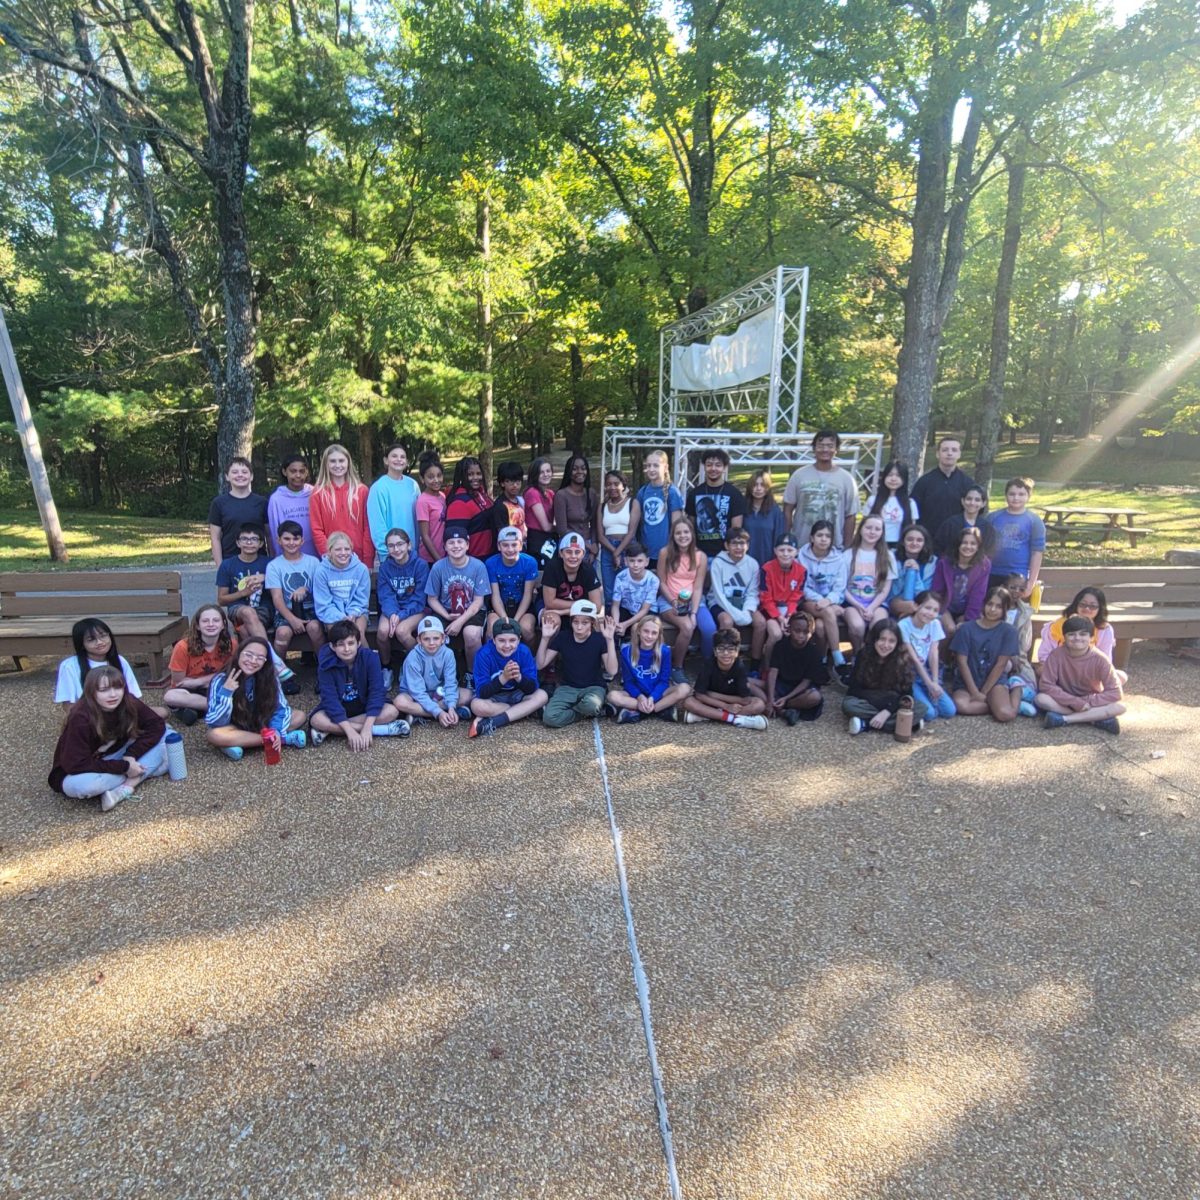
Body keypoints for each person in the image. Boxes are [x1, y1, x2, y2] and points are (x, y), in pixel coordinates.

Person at [49, 665, 168, 812]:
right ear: (91, 692)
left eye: (118, 688)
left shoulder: (127, 701)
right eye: (104, 690)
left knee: (170, 737)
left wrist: (131, 755)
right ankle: (141, 771)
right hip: (80, 770)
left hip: (116, 754)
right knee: (86, 787)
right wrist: (124, 767)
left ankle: (129, 783)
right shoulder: (80, 716)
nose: (113, 695)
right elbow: (75, 764)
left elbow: (156, 725)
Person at [309, 620, 410, 746]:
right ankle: (381, 730)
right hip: (341, 705)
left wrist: (367, 727)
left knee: (392, 711)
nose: (346, 649)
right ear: (332, 646)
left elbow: (376, 692)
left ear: (358, 643)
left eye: (351, 643)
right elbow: (330, 699)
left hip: (364, 705)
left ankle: (329, 731)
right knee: (316, 719)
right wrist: (350, 731)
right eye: (341, 644)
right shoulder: (326, 663)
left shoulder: (370, 658)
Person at [205, 637, 308, 759]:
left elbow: (280, 708)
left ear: (265, 661)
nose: (253, 661)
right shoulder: (221, 679)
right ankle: (282, 739)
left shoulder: (270, 678)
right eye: (248, 655)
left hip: (262, 723)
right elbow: (215, 721)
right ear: (239, 654)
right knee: (214, 734)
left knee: (299, 716)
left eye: (260, 658)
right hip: (235, 726)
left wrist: (275, 730)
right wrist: (227, 692)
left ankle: (242, 743)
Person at [1036, 615, 1126, 734]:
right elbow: (1046, 685)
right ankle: (1094, 719)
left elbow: (1115, 693)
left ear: (1091, 637)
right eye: (1071, 634)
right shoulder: (1056, 655)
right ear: (1064, 637)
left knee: (1120, 707)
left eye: (1083, 634)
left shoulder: (1100, 659)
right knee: (1041, 699)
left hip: (1090, 700)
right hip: (1065, 699)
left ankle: (1064, 719)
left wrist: (1086, 701)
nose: (1077, 638)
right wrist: (1074, 702)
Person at [536, 601, 618, 728]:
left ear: (592, 623)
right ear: (571, 622)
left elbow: (612, 670)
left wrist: (610, 640)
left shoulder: (599, 639)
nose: (579, 627)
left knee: (591, 704)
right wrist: (545, 638)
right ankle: (589, 712)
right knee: (549, 718)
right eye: (576, 622)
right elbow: (540, 664)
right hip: (568, 687)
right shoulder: (563, 637)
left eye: (584, 623)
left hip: (594, 687)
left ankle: (589, 710)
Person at [949, 585, 1023, 722]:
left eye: (999, 606)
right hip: (968, 681)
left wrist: (984, 692)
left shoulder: (1009, 631)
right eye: (990, 604)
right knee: (960, 706)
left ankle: (1016, 689)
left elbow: (1001, 664)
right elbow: (962, 662)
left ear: (1005, 609)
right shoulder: (966, 629)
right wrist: (974, 692)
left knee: (1006, 715)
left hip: (994, 681)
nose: (993, 610)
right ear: (984, 604)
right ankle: (994, 705)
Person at [424, 524, 490, 675]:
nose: (456, 546)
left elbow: (478, 601)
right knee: (432, 634)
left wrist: (459, 621)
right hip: (446, 610)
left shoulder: (478, 566)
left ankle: (473, 674)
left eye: (460, 542)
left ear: (467, 545)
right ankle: (440, 675)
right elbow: (432, 599)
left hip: (471, 610)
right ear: (445, 547)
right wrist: (447, 616)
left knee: (471, 635)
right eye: (451, 543)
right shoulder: (438, 567)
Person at [468, 618, 549, 738]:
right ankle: (523, 712)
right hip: (495, 698)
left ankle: (495, 721)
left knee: (542, 695)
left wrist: (519, 677)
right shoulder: (484, 654)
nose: (507, 645)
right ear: (494, 640)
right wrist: (503, 678)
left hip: (518, 694)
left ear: (519, 640)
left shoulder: (524, 651)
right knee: (477, 706)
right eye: (501, 640)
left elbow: (532, 687)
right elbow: (482, 693)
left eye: (512, 640)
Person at [843, 619, 927, 735]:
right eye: (882, 639)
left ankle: (866, 724)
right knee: (848, 705)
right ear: (874, 639)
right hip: (869, 698)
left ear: (897, 643)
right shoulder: (863, 655)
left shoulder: (902, 659)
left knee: (921, 708)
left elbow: (907, 695)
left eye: (891, 641)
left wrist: (886, 712)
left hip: (893, 702)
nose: (886, 645)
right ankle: (906, 724)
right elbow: (853, 690)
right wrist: (882, 705)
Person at [607, 613, 691, 723]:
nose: (649, 636)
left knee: (685, 688)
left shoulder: (664, 651)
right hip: (636, 694)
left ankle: (640, 712)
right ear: (639, 631)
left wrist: (652, 698)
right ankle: (659, 710)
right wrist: (640, 696)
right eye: (646, 631)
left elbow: (663, 681)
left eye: (654, 633)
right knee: (612, 696)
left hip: (659, 693)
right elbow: (628, 682)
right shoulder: (626, 652)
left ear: (658, 635)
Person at [782, 430, 859, 549]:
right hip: (802, 546)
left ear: (836, 449)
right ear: (814, 448)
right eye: (821, 446)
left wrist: (848, 547)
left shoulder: (847, 479)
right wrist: (786, 540)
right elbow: (787, 510)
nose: (825, 450)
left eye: (830, 446)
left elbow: (851, 515)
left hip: (835, 548)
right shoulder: (799, 475)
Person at [393, 616, 474, 727]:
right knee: (400, 701)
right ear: (419, 640)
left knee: (468, 694)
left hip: (439, 692)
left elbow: (451, 683)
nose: (431, 643)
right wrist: (438, 712)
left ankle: (420, 713)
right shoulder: (413, 657)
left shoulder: (448, 654)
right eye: (426, 639)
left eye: (436, 638)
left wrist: (451, 706)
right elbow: (417, 692)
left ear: (443, 638)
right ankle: (439, 715)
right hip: (415, 695)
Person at [657, 514, 714, 671]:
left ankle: (709, 666)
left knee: (709, 629)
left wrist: (694, 612)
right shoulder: (665, 553)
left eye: (686, 532)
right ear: (673, 536)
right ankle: (677, 667)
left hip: (694, 601)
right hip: (669, 600)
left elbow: (697, 587)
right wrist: (673, 602)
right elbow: (661, 582)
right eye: (678, 533)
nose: (683, 536)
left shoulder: (700, 556)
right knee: (687, 627)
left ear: (692, 534)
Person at [376, 527, 430, 690]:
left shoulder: (420, 565)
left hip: (415, 609)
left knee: (401, 631)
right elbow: (386, 595)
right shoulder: (385, 567)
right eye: (391, 546)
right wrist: (392, 613)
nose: (396, 549)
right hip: (393, 609)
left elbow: (420, 599)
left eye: (400, 544)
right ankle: (387, 667)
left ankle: (418, 665)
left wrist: (400, 615)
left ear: (409, 545)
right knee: (383, 632)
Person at [680, 629, 768, 729]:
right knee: (689, 702)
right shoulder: (708, 664)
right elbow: (699, 695)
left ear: (737, 651)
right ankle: (734, 719)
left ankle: (706, 716)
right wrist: (725, 706)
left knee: (759, 704)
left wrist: (716, 696)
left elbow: (745, 700)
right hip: (711, 702)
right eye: (721, 649)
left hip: (732, 702)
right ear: (715, 651)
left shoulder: (739, 667)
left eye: (731, 649)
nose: (726, 653)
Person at [164, 604, 236, 724]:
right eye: (205, 621)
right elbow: (179, 682)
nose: (211, 624)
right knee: (170, 697)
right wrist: (202, 683)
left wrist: (199, 681)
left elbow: (231, 673)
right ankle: (218, 707)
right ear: (197, 625)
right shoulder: (182, 647)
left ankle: (192, 710)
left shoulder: (232, 645)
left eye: (216, 620)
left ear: (223, 624)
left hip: (217, 686)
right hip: (190, 690)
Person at [1035, 587, 1125, 682]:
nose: (1087, 608)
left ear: (1100, 609)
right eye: (1083, 604)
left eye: (1092, 606)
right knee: (1043, 670)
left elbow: (1105, 660)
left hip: (1089, 670)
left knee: (1121, 676)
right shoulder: (1058, 625)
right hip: (1061, 668)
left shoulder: (1104, 629)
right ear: (1076, 604)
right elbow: (1045, 655)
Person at [55, 618, 146, 711]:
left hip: (121, 714)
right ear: (81, 644)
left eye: (103, 636)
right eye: (91, 639)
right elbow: (69, 705)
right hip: (89, 717)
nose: (99, 642)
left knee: (160, 713)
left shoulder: (120, 660)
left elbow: (133, 696)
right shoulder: (69, 666)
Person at [756, 610, 828, 726]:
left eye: (806, 632)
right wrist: (770, 698)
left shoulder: (814, 652)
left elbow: (806, 682)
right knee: (747, 683)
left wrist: (786, 699)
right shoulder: (780, 646)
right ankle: (781, 710)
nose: (801, 635)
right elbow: (773, 673)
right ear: (789, 629)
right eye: (797, 631)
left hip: (800, 691)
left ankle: (782, 706)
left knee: (815, 697)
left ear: (811, 632)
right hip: (780, 685)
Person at [266, 519, 323, 662]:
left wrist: (306, 588)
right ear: (279, 540)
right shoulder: (274, 566)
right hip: (286, 611)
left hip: (311, 609)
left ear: (302, 541)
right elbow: (277, 598)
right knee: (282, 633)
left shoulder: (313, 562)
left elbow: (321, 590)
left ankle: (324, 667)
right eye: (287, 539)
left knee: (315, 628)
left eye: (296, 539)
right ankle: (278, 673)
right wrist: (292, 620)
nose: (291, 543)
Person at [708, 528, 765, 665]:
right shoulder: (718, 562)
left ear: (748, 545)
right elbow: (718, 594)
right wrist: (737, 616)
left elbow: (752, 593)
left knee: (761, 623)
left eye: (742, 543)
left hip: (743, 603)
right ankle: (724, 663)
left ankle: (755, 664)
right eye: (734, 543)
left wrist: (747, 611)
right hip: (720, 602)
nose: (738, 547)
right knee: (727, 622)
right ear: (727, 546)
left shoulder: (752, 564)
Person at [310, 443, 374, 567]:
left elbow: (367, 528)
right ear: (326, 465)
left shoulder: (361, 491)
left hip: (358, 559)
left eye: (341, 461)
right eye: (333, 461)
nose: (338, 465)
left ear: (348, 463)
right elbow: (316, 529)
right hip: (332, 560)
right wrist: (329, 556)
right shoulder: (318, 493)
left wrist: (368, 559)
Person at [910, 436, 984, 542]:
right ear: (937, 454)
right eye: (945, 450)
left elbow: (976, 511)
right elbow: (912, 512)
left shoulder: (968, 483)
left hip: (959, 542)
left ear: (959, 454)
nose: (949, 453)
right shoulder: (924, 482)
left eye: (954, 450)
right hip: (929, 540)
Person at [898, 591, 957, 722]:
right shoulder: (904, 625)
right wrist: (929, 684)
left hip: (928, 671)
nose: (931, 613)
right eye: (927, 608)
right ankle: (912, 696)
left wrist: (935, 682)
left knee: (949, 711)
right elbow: (914, 658)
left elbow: (933, 653)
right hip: (910, 674)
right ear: (916, 606)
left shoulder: (935, 624)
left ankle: (925, 695)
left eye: (935, 610)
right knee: (930, 714)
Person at [982, 477, 1045, 596]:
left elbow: (1037, 553)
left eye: (1021, 494)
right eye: (1012, 494)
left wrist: (1031, 583)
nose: (1016, 498)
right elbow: (983, 548)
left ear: (1028, 496)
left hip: (1018, 576)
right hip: (993, 572)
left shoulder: (1034, 521)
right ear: (1006, 495)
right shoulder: (993, 518)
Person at [842, 514, 896, 651]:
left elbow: (885, 589)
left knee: (879, 626)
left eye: (877, 529)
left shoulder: (888, 556)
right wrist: (858, 605)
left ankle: (873, 658)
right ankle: (858, 655)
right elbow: (842, 587)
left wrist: (872, 607)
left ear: (882, 533)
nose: (872, 532)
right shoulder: (848, 555)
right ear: (860, 529)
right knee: (857, 626)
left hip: (877, 603)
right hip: (852, 602)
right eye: (868, 528)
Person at [799, 520, 848, 667]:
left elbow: (840, 588)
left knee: (820, 627)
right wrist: (821, 600)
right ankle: (838, 658)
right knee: (828, 612)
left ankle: (822, 662)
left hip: (830, 603)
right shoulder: (801, 556)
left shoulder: (839, 559)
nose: (823, 539)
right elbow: (802, 586)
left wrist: (829, 600)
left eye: (827, 536)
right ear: (812, 537)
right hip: (808, 602)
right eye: (820, 535)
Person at [930, 524, 991, 638]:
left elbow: (978, 595)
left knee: (966, 630)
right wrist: (941, 611)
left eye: (973, 543)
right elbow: (937, 592)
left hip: (968, 609)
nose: (968, 546)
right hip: (946, 607)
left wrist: (967, 620)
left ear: (978, 546)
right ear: (958, 545)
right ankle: (942, 656)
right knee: (950, 629)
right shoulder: (944, 563)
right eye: (964, 543)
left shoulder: (983, 565)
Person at [208, 455, 269, 566]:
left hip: (259, 561)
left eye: (244, 472)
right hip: (230, 561)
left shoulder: (262, 502)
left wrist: (272, 563)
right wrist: (220, 566)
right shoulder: (219, 503)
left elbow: (269, 536)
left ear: (251, 477)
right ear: (227, 476)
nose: (240, 475)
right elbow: (215, 538)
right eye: (235, 472)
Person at [216, 523, 272, 640]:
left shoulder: (270, 564)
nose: (249, 543)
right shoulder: (227, 565)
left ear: (261, 543)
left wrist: (266, 577)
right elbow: (221, 600)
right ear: (238, 543)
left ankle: (254, 656)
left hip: (263, 608)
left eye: (254, 539)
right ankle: (269, 655)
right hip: (237, 608)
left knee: (244, 630)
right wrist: (243, 593)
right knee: (248, 612)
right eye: (244, 539)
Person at [685, 448, 745, 559]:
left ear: (724, 468)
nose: (713, 469)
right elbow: (690, 526)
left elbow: (736, 529)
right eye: (709, 465)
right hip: (700, 554)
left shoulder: (734, 494)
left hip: (725, 555)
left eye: (718, 465)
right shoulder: (694, 493)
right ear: (704, 466)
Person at [760, 533, 808, 668]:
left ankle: (790, 668)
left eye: (790, 550)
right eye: (781, 550)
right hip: (769, 610)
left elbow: (796, 597)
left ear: (797, 552)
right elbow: (765, 597)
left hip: (789, 610)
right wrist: (779, 617)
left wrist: (789, 616)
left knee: (797, 633)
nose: (785, 554)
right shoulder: (766, 569)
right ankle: (767, 667)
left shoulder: (802, 571)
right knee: (776, 634)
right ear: (775, 551)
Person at [367, 442, 420, 562]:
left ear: (406, 461)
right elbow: (378, 526)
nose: (399, 459)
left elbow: (418, 520)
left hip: (412, 554)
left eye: (402, 457)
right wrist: (387, 553)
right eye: (394, 456)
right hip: (391, 556)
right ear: (386, 460)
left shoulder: (413, 485)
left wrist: (416, 549)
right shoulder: (379, 488)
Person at [486, 525, 540, 643]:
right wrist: (505, 619)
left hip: (522, 605)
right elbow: (495, 595)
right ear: (499, 546)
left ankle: (529, 658)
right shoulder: (491, 563)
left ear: (521, 545)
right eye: (505, 545)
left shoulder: (529, 563)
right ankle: (491, 659)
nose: (510, 549)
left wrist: (514, 621)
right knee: (492, 628)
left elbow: (527, 595)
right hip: (499, 606)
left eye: (514, 545)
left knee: (527, 629)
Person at [313, 531, 371, 638]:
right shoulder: (321, 571)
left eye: (347, 549)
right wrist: (341, 617)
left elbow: (362, 599)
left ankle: (366, 655)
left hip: (357, 612)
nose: (343, 553)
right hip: (332, 614)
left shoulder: (361, 569)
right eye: (338, 549)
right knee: (339, 635)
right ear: (330, 551)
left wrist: (352, 614)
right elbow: (324, 603)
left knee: (358, 634)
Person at [635, 449, 683, 567]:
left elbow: (677, 525)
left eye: (656, 465)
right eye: (648, 465)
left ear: (665, 467)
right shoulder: (643, 491)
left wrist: (674, 549)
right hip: (645, 552)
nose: (651, 469)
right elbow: (637, 521)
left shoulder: (673, 492)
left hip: (666, 552)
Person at [597, 469, 638, 603]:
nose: (612, 487)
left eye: (616, 484)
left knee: (627, 592)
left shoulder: (633, 503)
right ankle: (610, 623)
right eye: (609, 484)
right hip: (607, 550)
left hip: (628, 548)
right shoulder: (602, 506)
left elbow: (631, 531)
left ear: (623, 485)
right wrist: (614, 553)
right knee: (609, 593)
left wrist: (619, 552)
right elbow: (600, 535)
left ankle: (626, 623)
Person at [542, 531, 604, 615]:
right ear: (561, 553)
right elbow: (549, 603)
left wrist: (563, 612)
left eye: (577, 552)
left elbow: (597, 607)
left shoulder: (588, 570)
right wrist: (583, 605)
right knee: (552, 620)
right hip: (553, 610)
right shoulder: (552, 567)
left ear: (583, 554)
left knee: (583, 622)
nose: (573, 556)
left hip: (565, 611)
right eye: (568, 552)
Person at [445, 456, 495, 560]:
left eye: (478, 473)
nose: (475, 477)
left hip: (491, 556)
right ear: (462, 476)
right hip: (473, 561)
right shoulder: (459, 503)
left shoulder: (482, 495)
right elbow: (455, 539)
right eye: (470, 474)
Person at [610, 541, 663, 637]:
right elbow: (615, 605)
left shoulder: (653, 580)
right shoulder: (620, 577)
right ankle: (617, 648)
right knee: (611, 623)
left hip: (647, 612)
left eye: (639, 561)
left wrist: (625, 624)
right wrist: (617, 624)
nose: (635, 565)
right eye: (632, 560)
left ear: (646, 562)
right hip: (627, 609)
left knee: (639, 627)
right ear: (625, 561)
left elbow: (645, 609)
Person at [266, 454, 316, 555]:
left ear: (306, 472)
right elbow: (275, 529)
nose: (298, 475)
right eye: (293, 471)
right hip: (289, 555)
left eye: (302, 471)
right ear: (285, 472)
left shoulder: (315, 493)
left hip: (316, 554)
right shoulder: (276, 499)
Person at [888, 523, 937, 619]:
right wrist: (904, 573)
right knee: (908, 606)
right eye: (910, 539)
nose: (914, 543)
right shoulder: (891, 557)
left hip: (919, 603)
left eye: (919, 540)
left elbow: (923, 595)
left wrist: (916, 573)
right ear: (903, 541)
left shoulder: (932, 562)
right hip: (894, 601)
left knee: (912, 607)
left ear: (924, 543)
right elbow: (892, 592)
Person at [866, 461, 919, 548]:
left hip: (899, 547)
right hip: (875, 546)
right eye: (890, 475)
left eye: (898, 476)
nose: (893, 479)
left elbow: (912, 530)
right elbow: (865, 526)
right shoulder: (872, 500)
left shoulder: (910, 503)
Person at [742, 470, 787, 574]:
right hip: (745, 562)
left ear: (768, 488)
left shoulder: (775, 511)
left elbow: (779, 539)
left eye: (762, 485)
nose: (758, 488)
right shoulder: (742, 509)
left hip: (767, 563)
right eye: (755, 485)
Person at [553, 453, 597, 554]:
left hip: (589, 546)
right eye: (575, 469)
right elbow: (562, 529)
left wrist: (594, 544)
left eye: (583, 468)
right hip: (570, 546)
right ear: (569, 471)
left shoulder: (591, 493)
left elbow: (595, 524)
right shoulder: (561, 495)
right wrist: (587, 545)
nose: (580, 472)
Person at [933, 484, 991, 558]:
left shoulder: (987, 528)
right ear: (962, 501)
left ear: (983, 504)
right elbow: (938, 548)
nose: (972, 503)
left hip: (976, 568)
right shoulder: (950, 524)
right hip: (951, 567)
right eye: (969, 499)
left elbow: (989, 552)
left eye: (977, 500)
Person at [415, 452, 447, 564]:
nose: (436, 480)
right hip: (431, 559)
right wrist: (438, 561)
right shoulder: (422, 501)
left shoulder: (443, 496)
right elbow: (425, 536)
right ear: (422, 479)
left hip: (446, 555)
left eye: (439, 475)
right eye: (430, 477)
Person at [524, 457, 556, 561]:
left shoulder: (550, 493)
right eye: (541, 472)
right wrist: (564, 528)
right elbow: (546, 526)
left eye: (548, 471)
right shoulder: (532, 493)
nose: (546, 474)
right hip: (538, 540)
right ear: (535, 475)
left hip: (550, 539)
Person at [490, 461, 528, 545]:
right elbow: (503, 535)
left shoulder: (520, 501)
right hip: (509, 550)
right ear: (502, 483)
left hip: (522, 546)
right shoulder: (500, 506)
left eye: (518, 481)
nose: (515, 485)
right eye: (510, 481)